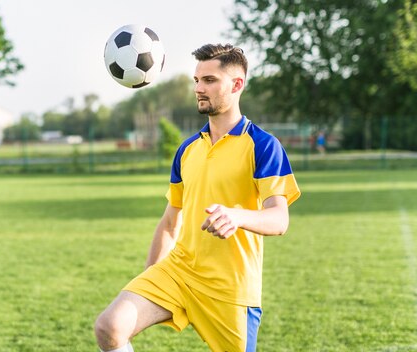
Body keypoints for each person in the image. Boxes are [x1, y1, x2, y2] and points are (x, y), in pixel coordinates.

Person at [94, 43, 301, 352]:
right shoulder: (188, 149)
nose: (199, 88)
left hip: (230, 288)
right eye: (196, 80)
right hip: (179, 271)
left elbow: (279, 218)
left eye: (209, 80)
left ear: (237, 84)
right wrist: (151, 280)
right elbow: (169, 223)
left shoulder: (262, 145)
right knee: (109, 327)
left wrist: (237, 215)